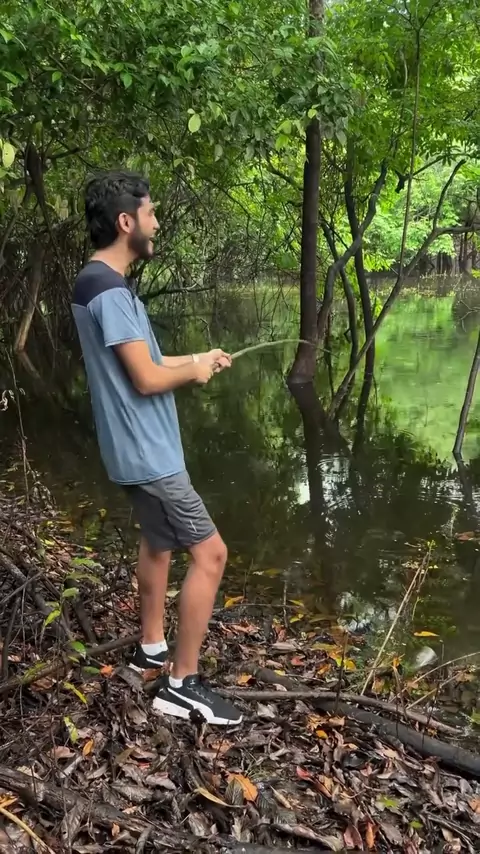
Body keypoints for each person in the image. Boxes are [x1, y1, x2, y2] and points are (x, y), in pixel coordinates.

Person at [71, 170, 241, 726]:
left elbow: (145, 361)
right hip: (149, 455)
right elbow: (145, 379)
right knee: (211, 555)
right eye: (151, 213)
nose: (157, 223)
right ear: (127, 222)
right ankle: (181, 685)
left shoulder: (97, 283)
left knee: (158, 541)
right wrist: (192, 372)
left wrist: (198, 358)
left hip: (133, 450)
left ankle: (151, 648)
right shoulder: (110, 292)